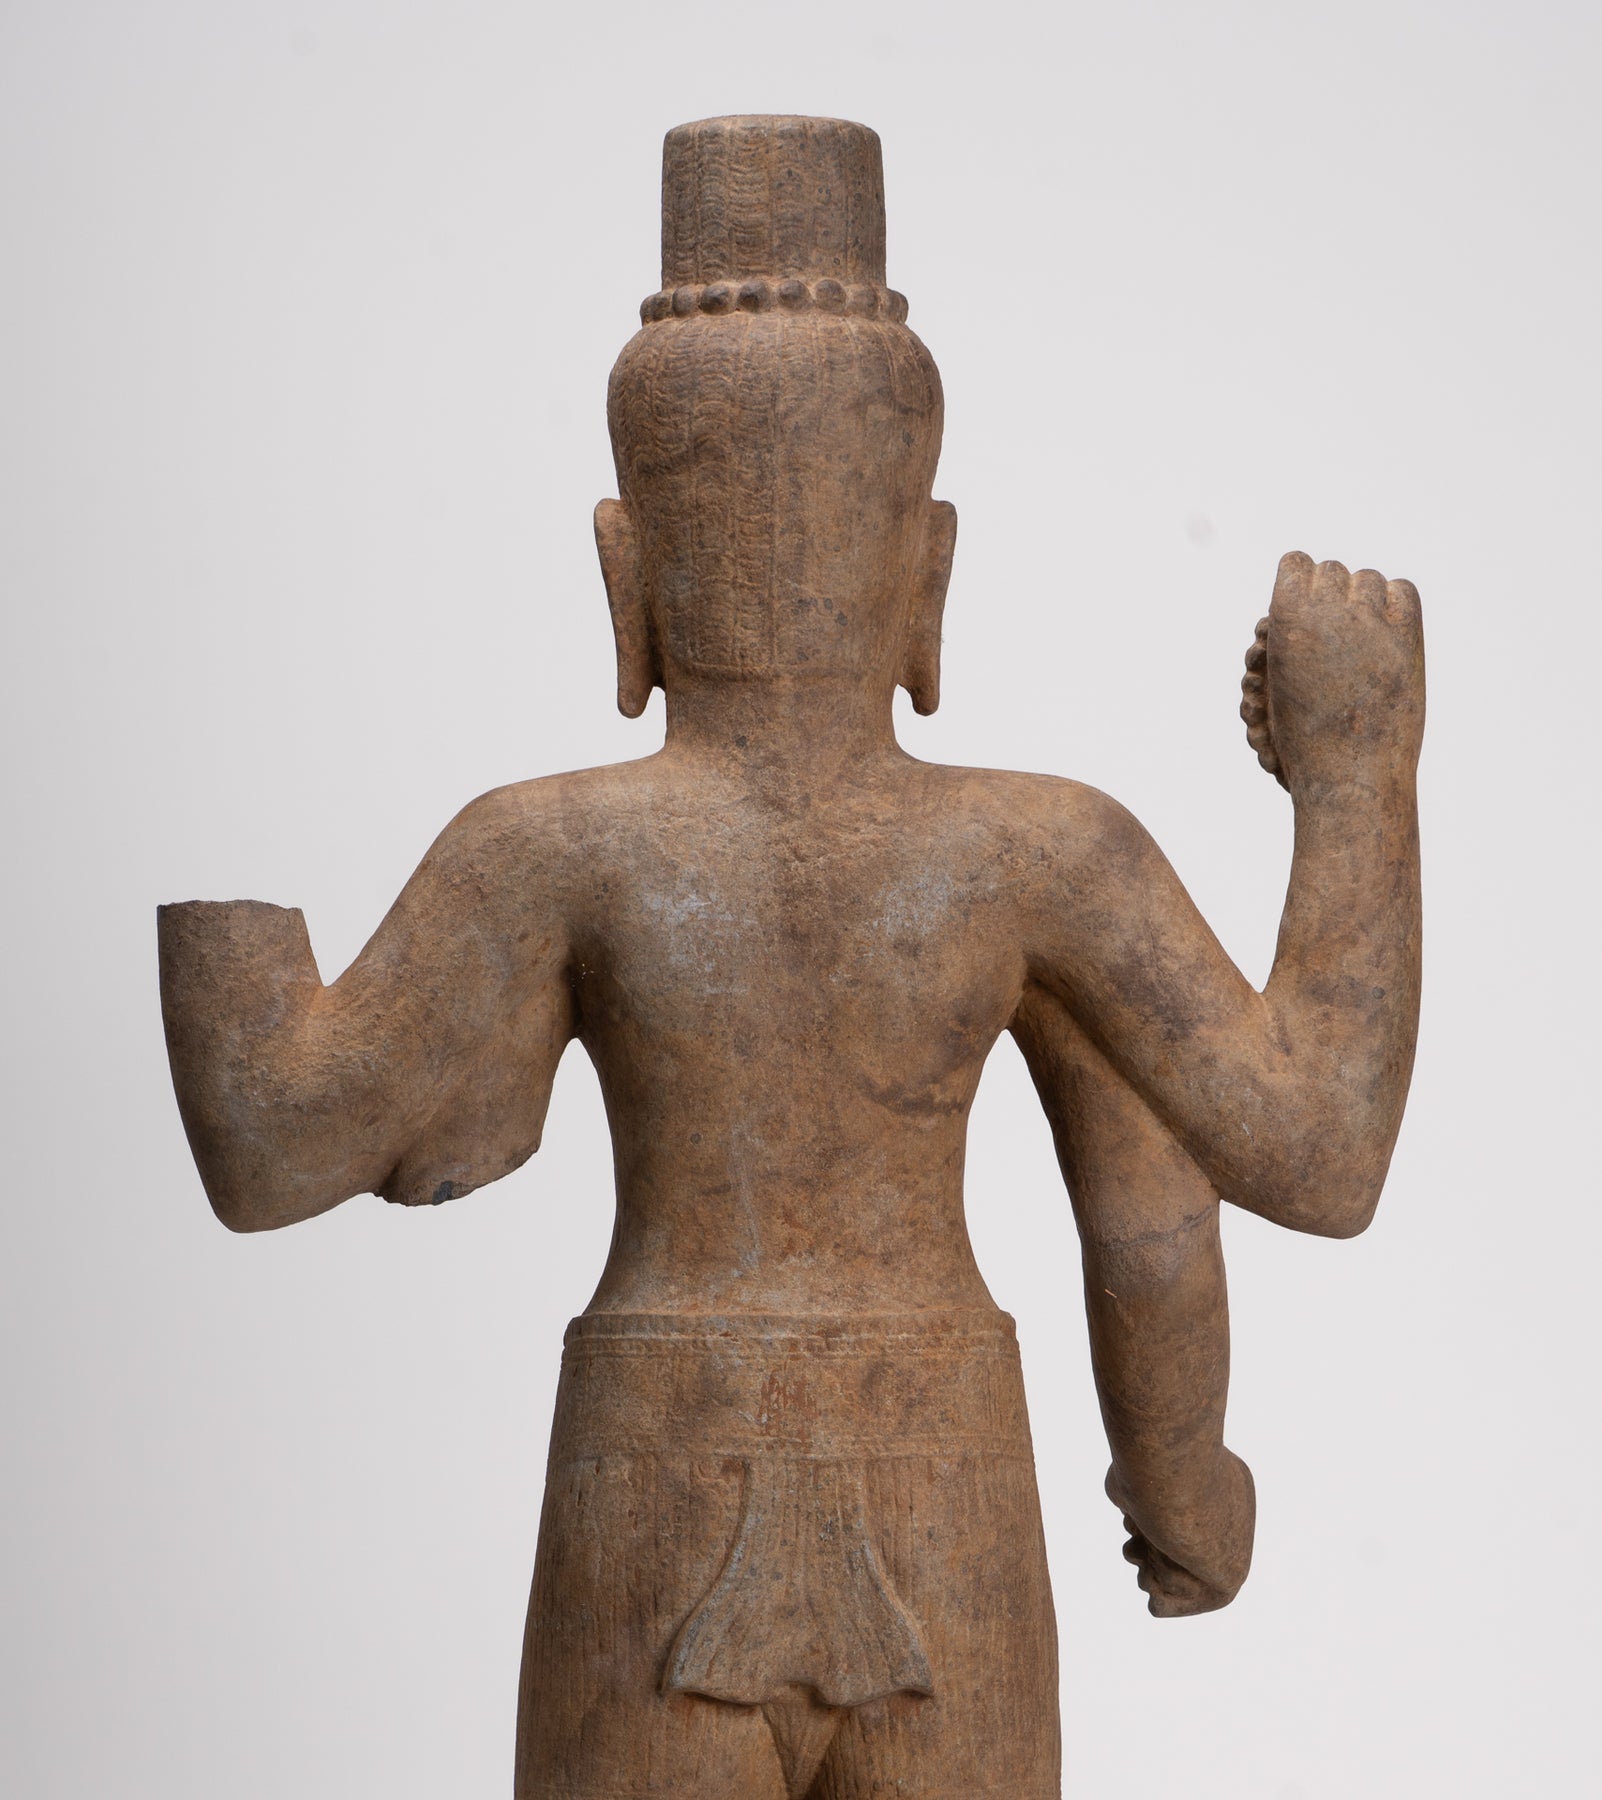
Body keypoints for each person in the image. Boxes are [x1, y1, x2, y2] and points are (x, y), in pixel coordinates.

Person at [158, 116, 1424, 1800]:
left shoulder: (541, 848)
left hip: (653, 1478)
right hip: (940, 1472)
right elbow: (1254, 1175)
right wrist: (1355, 779)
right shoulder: (1041, 852)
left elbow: (268, 1145)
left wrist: (232, 951)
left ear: (624, 575)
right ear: (931, 575)